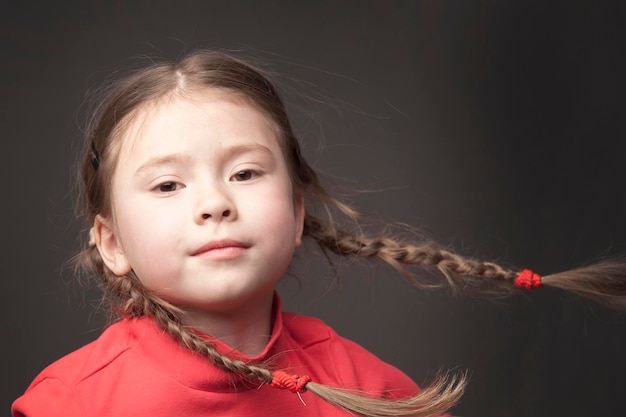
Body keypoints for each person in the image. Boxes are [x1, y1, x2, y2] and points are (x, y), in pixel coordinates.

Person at [11, 50, 626, 417]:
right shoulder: (70, 402)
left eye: (245, 172)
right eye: (168, 186)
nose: (215, 203)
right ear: (111, 243)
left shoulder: (372, 389)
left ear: (298, 212)